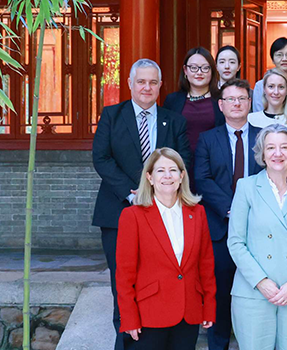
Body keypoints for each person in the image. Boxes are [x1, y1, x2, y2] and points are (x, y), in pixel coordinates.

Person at [93, 58, 191, 350]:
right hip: (119, 211)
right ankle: (124, 343)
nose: (146, 87)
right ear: (130, 84)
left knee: (158, 283)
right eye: (141, 82)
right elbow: (101, 158)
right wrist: (133, 193)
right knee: (122, 285)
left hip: (166, 215)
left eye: (152, 82)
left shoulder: (174, 120)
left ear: (161, 86)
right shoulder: (112, 115)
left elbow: (182, 163)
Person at [227, 123, 287, 350]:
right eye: (271, 148)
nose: (278, 153)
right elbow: (235, 242)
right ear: (262, 153)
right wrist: (261, 282)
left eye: (284, 147)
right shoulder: (246, 187)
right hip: (253, 293)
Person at [116, 147, 216, 350]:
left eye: (173, 170)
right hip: (149, 315)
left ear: (182, 176)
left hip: (188, 312)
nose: (167, 176)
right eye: (160, 170)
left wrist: (209, 308)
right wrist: (129, 317)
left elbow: (206, 265)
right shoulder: (132, 216)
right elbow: (124, 274)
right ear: (150, 177)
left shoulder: (197, 213)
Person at [194, 79, 264, 350]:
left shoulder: (265, 136)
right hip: (220, 228)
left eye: (242, 99)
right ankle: (219, 344)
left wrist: (250, 209)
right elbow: (202, 179)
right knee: (220, 292)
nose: (237, 104)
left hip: (259, 225)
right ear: (221, 105)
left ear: (250, 103)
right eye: (231, 99)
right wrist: (233, 208)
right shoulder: (207, 139)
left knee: (258, 290)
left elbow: (274, 176)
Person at [163, 47, 224, 153]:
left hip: (213, 162)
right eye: (194, 68)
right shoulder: (172, 100)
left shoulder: (221, 100)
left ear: (212, 71)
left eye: (205, 68)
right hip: (180, 163)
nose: (199, 72)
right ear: (185, 70)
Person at [247, 69, 287, 142]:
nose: (276, 92)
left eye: (281, 87)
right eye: (271, 86)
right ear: (264, 90)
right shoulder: (251, 119)